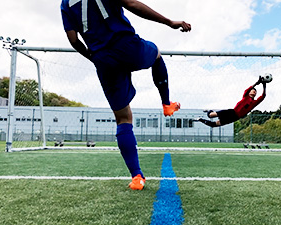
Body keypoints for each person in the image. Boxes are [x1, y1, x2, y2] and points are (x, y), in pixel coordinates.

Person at [61, 0, 191, 190]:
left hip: (102, 58)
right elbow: (132, 4)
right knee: (156, 54)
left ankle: (137, 177)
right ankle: (166, 104)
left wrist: (94, 58)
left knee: (123, 119)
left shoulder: (65, 3)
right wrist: (170, 22)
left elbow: (73, 39)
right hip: (126, 45)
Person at [195, 76, 266, 127]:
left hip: (235, 117)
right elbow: (247, 89)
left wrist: (264, 85)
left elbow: (263, 96)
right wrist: (257, 82)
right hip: (231, 112)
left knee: (214, 124)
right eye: (253, 91)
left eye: (255, 92)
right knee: (210, 115)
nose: (254, 93)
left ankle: (200, 119)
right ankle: (209, 111)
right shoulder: (246, 96)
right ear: (249, 92)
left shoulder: (254, 103)